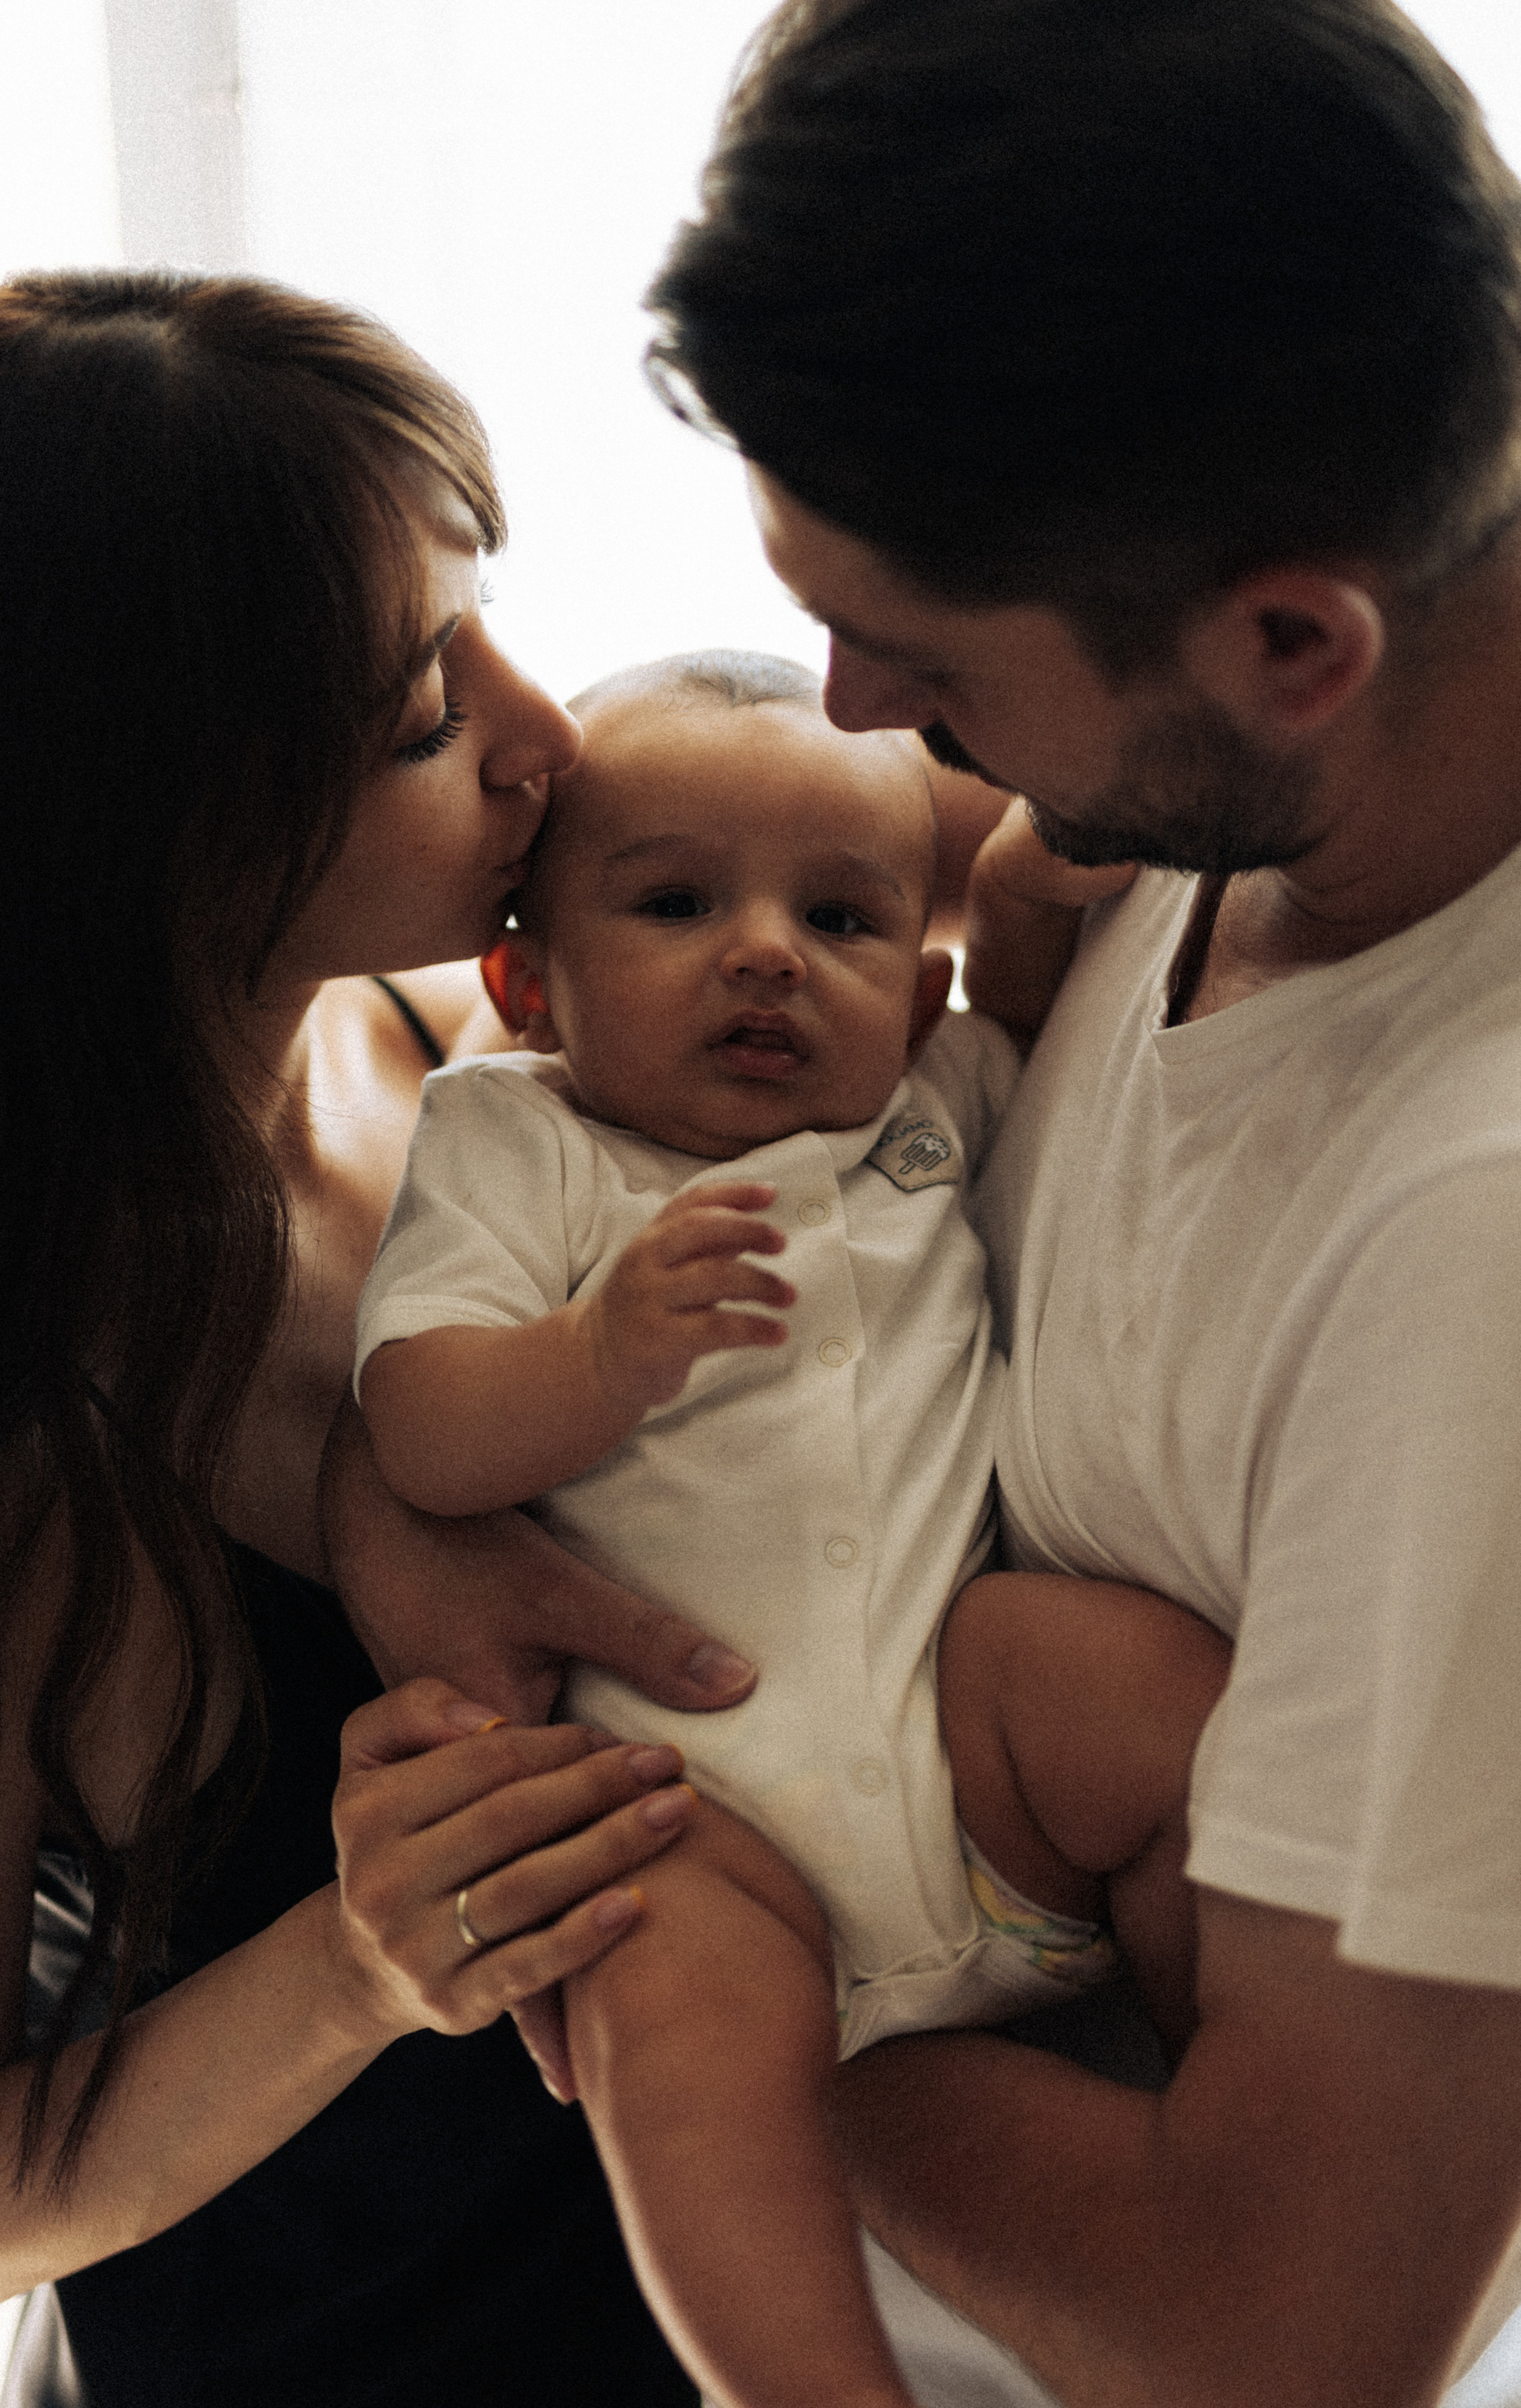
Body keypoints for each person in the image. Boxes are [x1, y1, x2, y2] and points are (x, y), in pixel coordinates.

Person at [614, 1, 1521, 2402]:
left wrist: (720, 2014)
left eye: (917, 672)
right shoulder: (1184, 805)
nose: (845, 707)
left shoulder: (1480, 1243)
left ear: (1292, 644)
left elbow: (1285, 2337)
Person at [0, 267, 764, 2408]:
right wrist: (365, 1961)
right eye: (418, 715)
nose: (539, 731)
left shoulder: (442, 1045)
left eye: (486, 618)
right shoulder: (13, 1413)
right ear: (137, 820)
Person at [353, 650, 1231, 2407]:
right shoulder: (519, 1141)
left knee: (1144, 1683)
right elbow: (424, 1429)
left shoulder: (926, 1108)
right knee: (651, 1974)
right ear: (526, 982)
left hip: (982, 1785)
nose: (763, 950)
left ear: (913, 998)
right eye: (675, 902)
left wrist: (1026, 887)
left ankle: (1256, 2081)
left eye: (838, 921)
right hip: (721, 1839)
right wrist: (596, 1359)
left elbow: (1038, 1001)